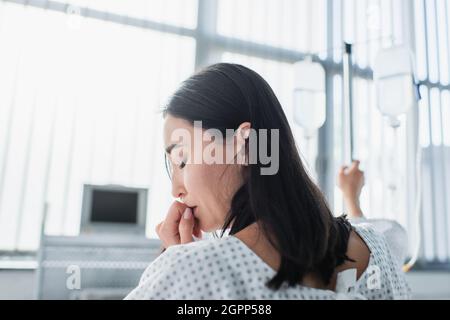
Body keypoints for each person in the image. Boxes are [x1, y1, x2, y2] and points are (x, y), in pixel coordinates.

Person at [125, 63, 411, 300]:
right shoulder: (376, 250)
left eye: (182, 159)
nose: (176, 190)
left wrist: (177, 270)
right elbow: (392, 232)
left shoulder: (193, 271)